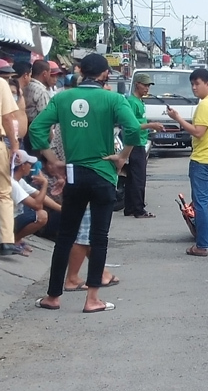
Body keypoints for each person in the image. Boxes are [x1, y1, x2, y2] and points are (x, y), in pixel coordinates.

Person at [29, 53, 141, 313]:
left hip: (74, 174)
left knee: (66, 236)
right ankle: (92, 300)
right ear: (104, 75)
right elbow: (134, 129)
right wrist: (122, 157)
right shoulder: (114, 99)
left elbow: (36, 129)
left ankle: (53, 297)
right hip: (103, 174)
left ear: (80, 72)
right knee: (99, 237)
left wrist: (52, 160)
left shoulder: (62, 98)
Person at [166, 68, 208, 257]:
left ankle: (202, 245)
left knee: (201, 203)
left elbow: (198, 132)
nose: (194, 88)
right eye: (192, 84)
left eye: (197, 84)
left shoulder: (205, 105)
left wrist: (177, 118)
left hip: (203, 160)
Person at [125, 73, 165, 218]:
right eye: (145, 85)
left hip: (140, 141)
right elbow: (131, 124)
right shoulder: (132, 102)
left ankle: (130, 207)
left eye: (148, 86)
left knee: (132, 177)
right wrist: (150, 124)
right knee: (138, 178)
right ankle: (138, 209)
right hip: (134, 143)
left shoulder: (139, 101)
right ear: (137, 84)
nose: (147, 88)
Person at [11, 150, 60, 254]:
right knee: (42, 215)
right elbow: (37, 205)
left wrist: (62, 209)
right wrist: (45, 184)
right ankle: (12, 242)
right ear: (22, 166)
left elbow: (39, 195)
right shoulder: (12, 182)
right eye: (29, 164)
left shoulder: (20, 181)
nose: (31, 166)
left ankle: (15, 240)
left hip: (13, 217)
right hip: (8, 220)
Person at [0, 77, 22, 255]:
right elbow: (7, 117)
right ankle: (6, 240)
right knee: (3, 193)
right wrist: (14, 145)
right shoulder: (1, 84)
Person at [6, 79, 27, 148]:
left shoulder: (19, 99)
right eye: (9, 92)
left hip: (20, 140)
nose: (11, 95)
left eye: (13, 92)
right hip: (8, 140)